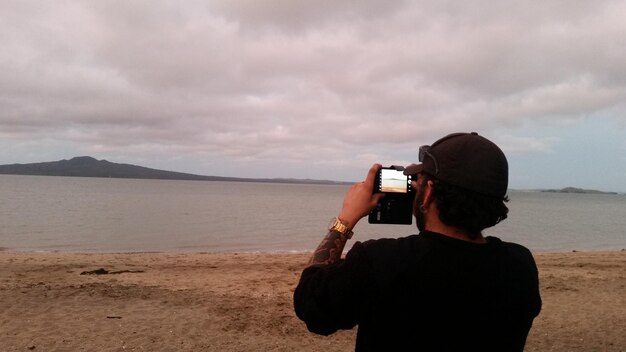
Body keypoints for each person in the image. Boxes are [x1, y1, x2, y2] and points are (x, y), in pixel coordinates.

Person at [293, 132, 542, 351]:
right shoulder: (520, 266)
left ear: (430, 192)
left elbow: (312, 307)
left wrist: (344, 221)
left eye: (420, 183)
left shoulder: (382, 262)